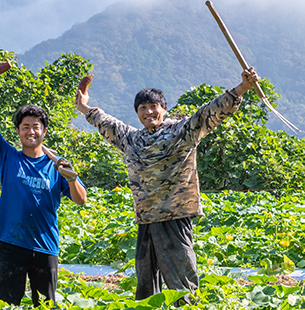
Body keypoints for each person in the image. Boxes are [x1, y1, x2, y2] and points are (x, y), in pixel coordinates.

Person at [75, 67, 260, 305]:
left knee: (181, 284)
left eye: (154, 107)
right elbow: (108, 124)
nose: (149, 111)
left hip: (175, 215)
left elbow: (209, 113)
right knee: (145, 285)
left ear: (164, 109)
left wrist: (242, 88)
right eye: (143, 108)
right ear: (137, 113)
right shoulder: (132, 139)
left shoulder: (181, 131)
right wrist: (84, 108)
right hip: (146, 218)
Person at [0, 72, 88, 307]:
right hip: (12, 243)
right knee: (6, 304)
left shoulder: (58, 164)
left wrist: (71, 178)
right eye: (25, 126)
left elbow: (81, 200)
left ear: (44, 131)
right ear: (18, 131)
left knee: (46, 305)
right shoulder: (8, 157)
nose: (31, 131)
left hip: (45, 245)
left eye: (35, 127)